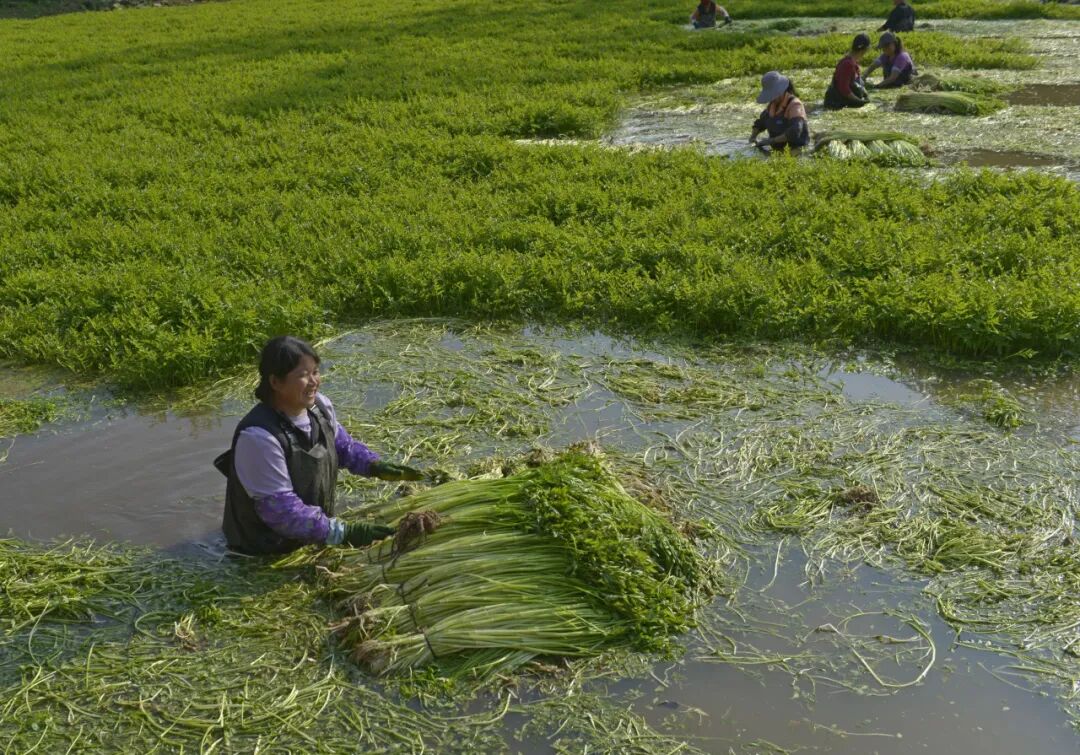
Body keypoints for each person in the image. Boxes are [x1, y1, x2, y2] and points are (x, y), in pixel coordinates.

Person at [218, 336, 422, 555]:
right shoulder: (259, 437)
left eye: (315, 371)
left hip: (312, 535)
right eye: (303, 375)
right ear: (275, 382)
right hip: (265, 551)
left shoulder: (320, 407)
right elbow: (281, 511)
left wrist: (374, 465)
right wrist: (344, 532)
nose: (314, 381)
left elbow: (343, 448)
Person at [749, 71, 809, 152]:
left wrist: (771, 141)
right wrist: (753, 137)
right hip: (777, 151)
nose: (771, 98)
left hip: (796, 149)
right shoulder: (772, 106)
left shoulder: (794, 105)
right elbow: (760, 123)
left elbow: (795, 131)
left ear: (781, 91)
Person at [824, 33, 872, 110]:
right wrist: (859, 101)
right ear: (864, 50)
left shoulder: (853, 62)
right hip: (837, 104)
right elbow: (844, 89)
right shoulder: (848, 64)